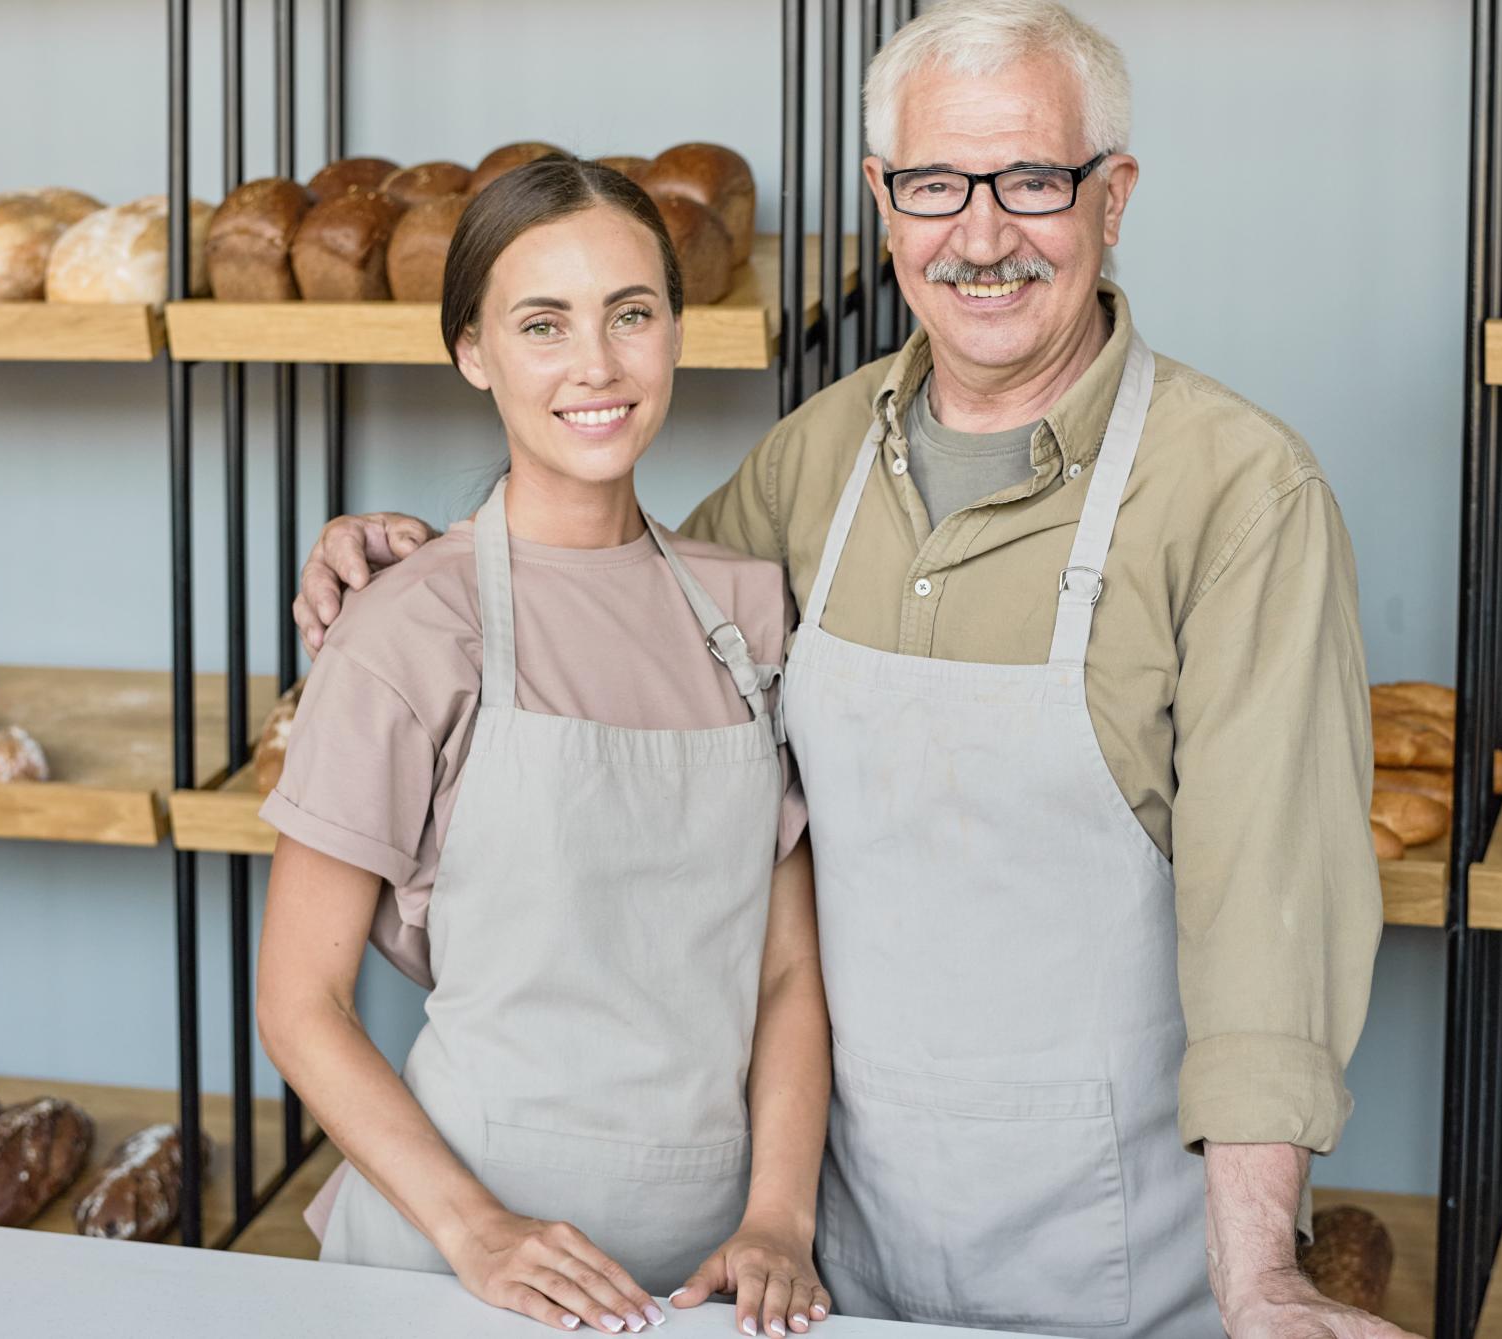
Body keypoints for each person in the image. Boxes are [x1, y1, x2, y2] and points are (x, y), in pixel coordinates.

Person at [295, 5, 1404, 1337]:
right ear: (886, 207)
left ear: (1114, 199)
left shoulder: (1239, 494)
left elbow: (1272, 914)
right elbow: (602, 612)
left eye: (1034, 182)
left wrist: (1261, 1273)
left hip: (1114, 1249)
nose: (981, 235)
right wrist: (414, 562)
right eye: (936, 184)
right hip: (824, 1260)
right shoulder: (811, 464)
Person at [257, 157, 833, 1339]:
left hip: (707, 1274)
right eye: (543, 324)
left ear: (678, 329)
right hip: (449, 1261)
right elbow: (298, 1000)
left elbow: (783, 972)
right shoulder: (408, 624)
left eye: (633, 315)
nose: (598, 366)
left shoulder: (748, 610)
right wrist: (476, 1228)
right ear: (473, 350)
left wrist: (779, 1216)